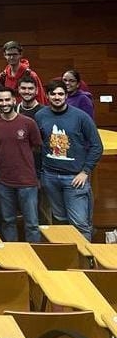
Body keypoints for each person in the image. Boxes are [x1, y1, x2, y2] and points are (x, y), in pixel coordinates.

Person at [35, 81, 103, 240]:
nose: (57, 97)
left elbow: (96, 146)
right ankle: (70, 259)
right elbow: (37, 145)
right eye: (53, 94)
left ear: (66, 95)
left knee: (79, 223)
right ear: (47, 96)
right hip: (50, 177)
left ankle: (86, 260)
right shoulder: (40, 116)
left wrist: (85, 171)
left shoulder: (81, 117)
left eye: (60, 94)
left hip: (74, 179)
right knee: (60, 220)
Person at [0, 87, 43, 242]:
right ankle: (13, 259)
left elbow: (37, 147)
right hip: (4, 181)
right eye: (1, 100)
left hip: (27, 181)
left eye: (7, 100)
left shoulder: (28, 123)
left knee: (31, 224)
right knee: (8, 221)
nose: (4, 103)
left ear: (14, 100)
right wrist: (1, 156)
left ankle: (35, 260)